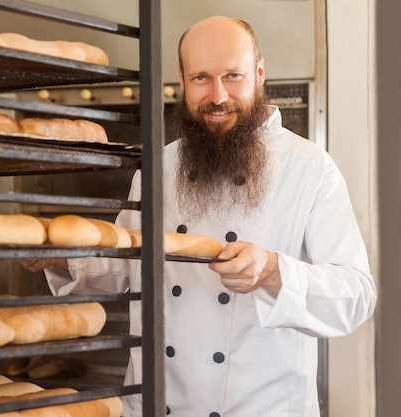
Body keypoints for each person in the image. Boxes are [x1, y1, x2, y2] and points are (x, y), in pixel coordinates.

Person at [21, 15, 377, 417]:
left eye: (233, 75)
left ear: (259, 74)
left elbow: (357, 296)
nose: (218, 95)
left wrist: (273, 272)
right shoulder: (159, 167)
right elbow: (126, 263)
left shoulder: (311, 169)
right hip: (158, 405)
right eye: (202, 78)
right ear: (182, 79)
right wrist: (61, 255)